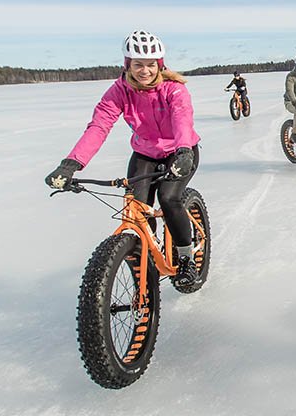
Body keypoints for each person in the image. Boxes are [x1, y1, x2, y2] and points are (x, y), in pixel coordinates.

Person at [45, 30, 202, 286]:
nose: (145, 71)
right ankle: (146, 252)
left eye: (151, 65)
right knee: (136, 208)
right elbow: (98, 126)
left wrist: (184, 150)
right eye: (138, 65)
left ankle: (186, 259)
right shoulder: (119, 91)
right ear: (127, 64)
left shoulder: (174, 89)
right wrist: (71, 164)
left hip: (180, 151)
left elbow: (182, 119)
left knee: (168, 197)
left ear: (159, 65)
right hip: (145, 154)